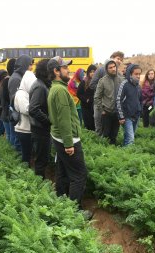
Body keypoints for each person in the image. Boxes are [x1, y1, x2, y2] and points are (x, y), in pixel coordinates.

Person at [47, 56, 92, 220]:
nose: (69, 70)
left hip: (59, 137)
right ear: (56, 71)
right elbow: (64, 119)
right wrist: (69, 144)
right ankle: (74, 213)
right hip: (68, 139)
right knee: (79, 175)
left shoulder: (55, 88)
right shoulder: (60, 91)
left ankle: (62, 201)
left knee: (63, 171)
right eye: (65, 67)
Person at [90, 51, 125, 135]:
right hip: (101, 104)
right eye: (118, 58)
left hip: (114, 107)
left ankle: (110, 145)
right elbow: (92, 84)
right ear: (112, 57)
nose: (119, 61)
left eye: (121, 60)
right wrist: (104, 90)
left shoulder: (119, 75)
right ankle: (100, 145)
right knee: (99, 125)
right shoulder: (101, 69)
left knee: (112, 130)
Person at [29, 59, 51, 179]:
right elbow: (33, 109)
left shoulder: (42, 84)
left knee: (42, 158)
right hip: (40, 129)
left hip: (41, 128)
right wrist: (48, 120)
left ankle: (41, 182)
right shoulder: (39, 86)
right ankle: (39, 185)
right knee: (41, 160)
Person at [94, 60, 124, 145]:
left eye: (114, 67)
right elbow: (97, 97)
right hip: (106, 112)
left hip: (117, 112)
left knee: (114, 135)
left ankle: (113, 153)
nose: (113, 69)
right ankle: (105, 153)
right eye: (110, 67)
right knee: (106, 134)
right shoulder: (102, 81)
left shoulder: (121, 79)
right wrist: (101, 110)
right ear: (107, 69)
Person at [8, 55, 34, 153]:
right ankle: (17, 162)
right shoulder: (16, 78)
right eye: (30, 64)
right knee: (18, 142)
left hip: (18, 113)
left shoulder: (19, 76)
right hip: (18, 114)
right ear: (24, 65)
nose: (31, 67)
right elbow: (15, 98)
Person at [116, 64, 143, 146]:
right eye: (136, 74)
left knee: (129, 137)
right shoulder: (124, 84)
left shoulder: (138, 86)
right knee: (131, 139)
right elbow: (118, 100)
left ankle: (124, 154)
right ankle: (129, 157)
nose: (138, 76)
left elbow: (140, 100)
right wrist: (121, 116)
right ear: (130, 74)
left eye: (139, 74)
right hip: (127, 117)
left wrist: (140, 111)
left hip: (136, 116)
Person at [14, 70, 37, 164]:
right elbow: (26, 110)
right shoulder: (21, 94)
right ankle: (25, 172)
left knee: (30, 153)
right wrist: (37, 108)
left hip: (29, 128)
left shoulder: (27, 93)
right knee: (26, 154)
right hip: (24, 130)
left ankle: (28, 171)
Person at [77, 64, 97, 131]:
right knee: (88, 125)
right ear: (88, 73)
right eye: (91, 72)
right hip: (86, 107)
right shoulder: (84, 82)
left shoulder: (98, 81)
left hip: (95, 106)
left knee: (95, 124)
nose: (92, 73)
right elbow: (79, 94)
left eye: (94, 72)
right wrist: (86, 100)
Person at [1, 58, 16, 145]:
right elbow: (6, 98)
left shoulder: (7, 80)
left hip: (6, 112)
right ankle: (11, 155)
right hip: (8, 113)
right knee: (11, 135)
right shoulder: (8, 80)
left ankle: (10, 154)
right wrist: (8, 113)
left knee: (10, 135)